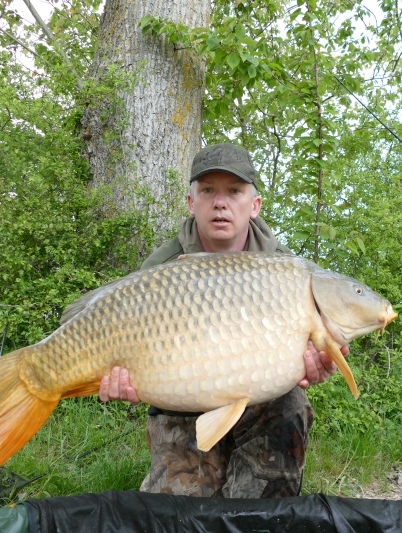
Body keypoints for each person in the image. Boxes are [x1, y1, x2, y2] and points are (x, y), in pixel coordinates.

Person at [97, 143, 349, 498]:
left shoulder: (287, 270)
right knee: (180, 516)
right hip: (181, 404)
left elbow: (315, 349)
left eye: (234, 191)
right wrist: (120, 382)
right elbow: (131, 358)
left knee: (289, 413)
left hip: (264, 404)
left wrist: (321, 365)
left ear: (255, 206)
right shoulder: (162, 268)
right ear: (191, 203)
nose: (220, 202)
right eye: (208, 191)